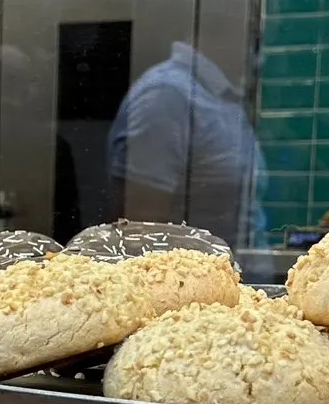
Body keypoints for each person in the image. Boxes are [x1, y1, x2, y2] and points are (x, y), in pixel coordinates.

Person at [108, 41, 267, 249]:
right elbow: (140, 226)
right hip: (186, 276)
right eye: (254, 40)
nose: (259, 50)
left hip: (229, 274)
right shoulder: (166, 94)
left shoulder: (222, 95)